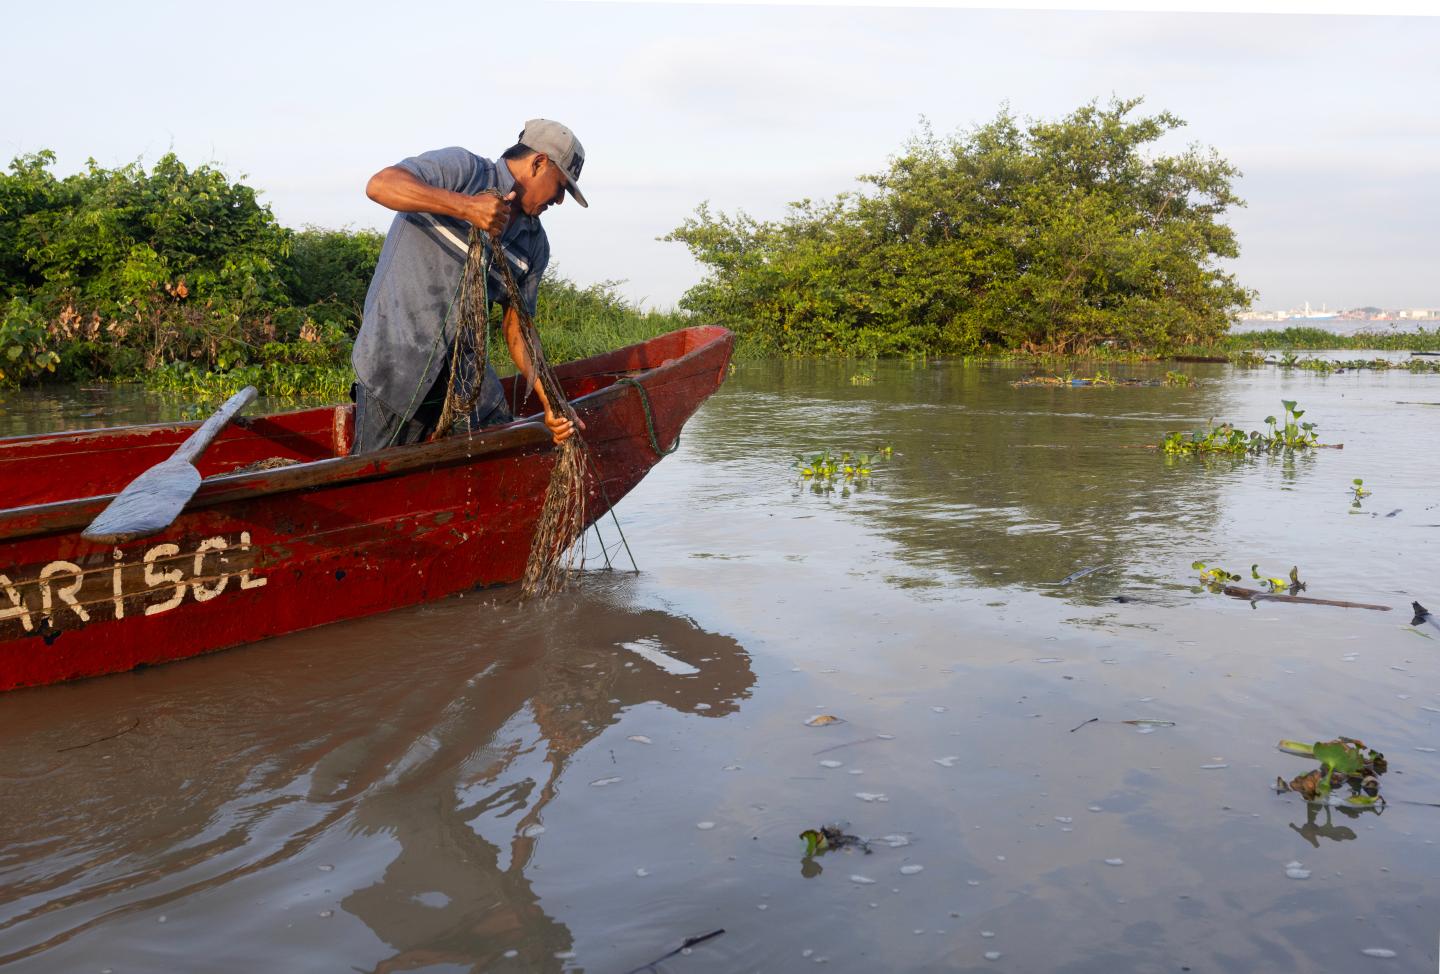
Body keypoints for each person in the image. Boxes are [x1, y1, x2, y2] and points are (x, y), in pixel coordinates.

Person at [350, 119, 588, 453]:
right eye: (561, 186)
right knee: (373, 476)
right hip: (394, 364)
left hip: (467, 379)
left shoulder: (534, 245)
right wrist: (465, 207)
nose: (560, 200)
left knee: (507, 457)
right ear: (538, 163)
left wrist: (553, 402)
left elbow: (519, 330)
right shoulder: (463, 170)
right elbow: (380, 185)